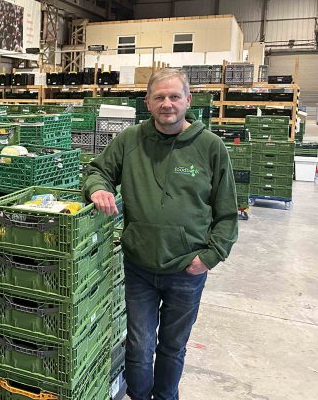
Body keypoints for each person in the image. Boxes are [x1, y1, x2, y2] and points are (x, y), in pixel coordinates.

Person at [82, 68, 238, 400]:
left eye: (174, 96)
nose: (167, 104)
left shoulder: (210, 147)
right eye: (159, 97)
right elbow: (98, 171)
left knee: (172, 347)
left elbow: (227, 213)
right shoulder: (129, 140)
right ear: (148, 103)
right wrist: (98, 189)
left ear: (187, 100)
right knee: (139, 346)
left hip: (186, 270)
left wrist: (208, 257)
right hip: (139, 266)